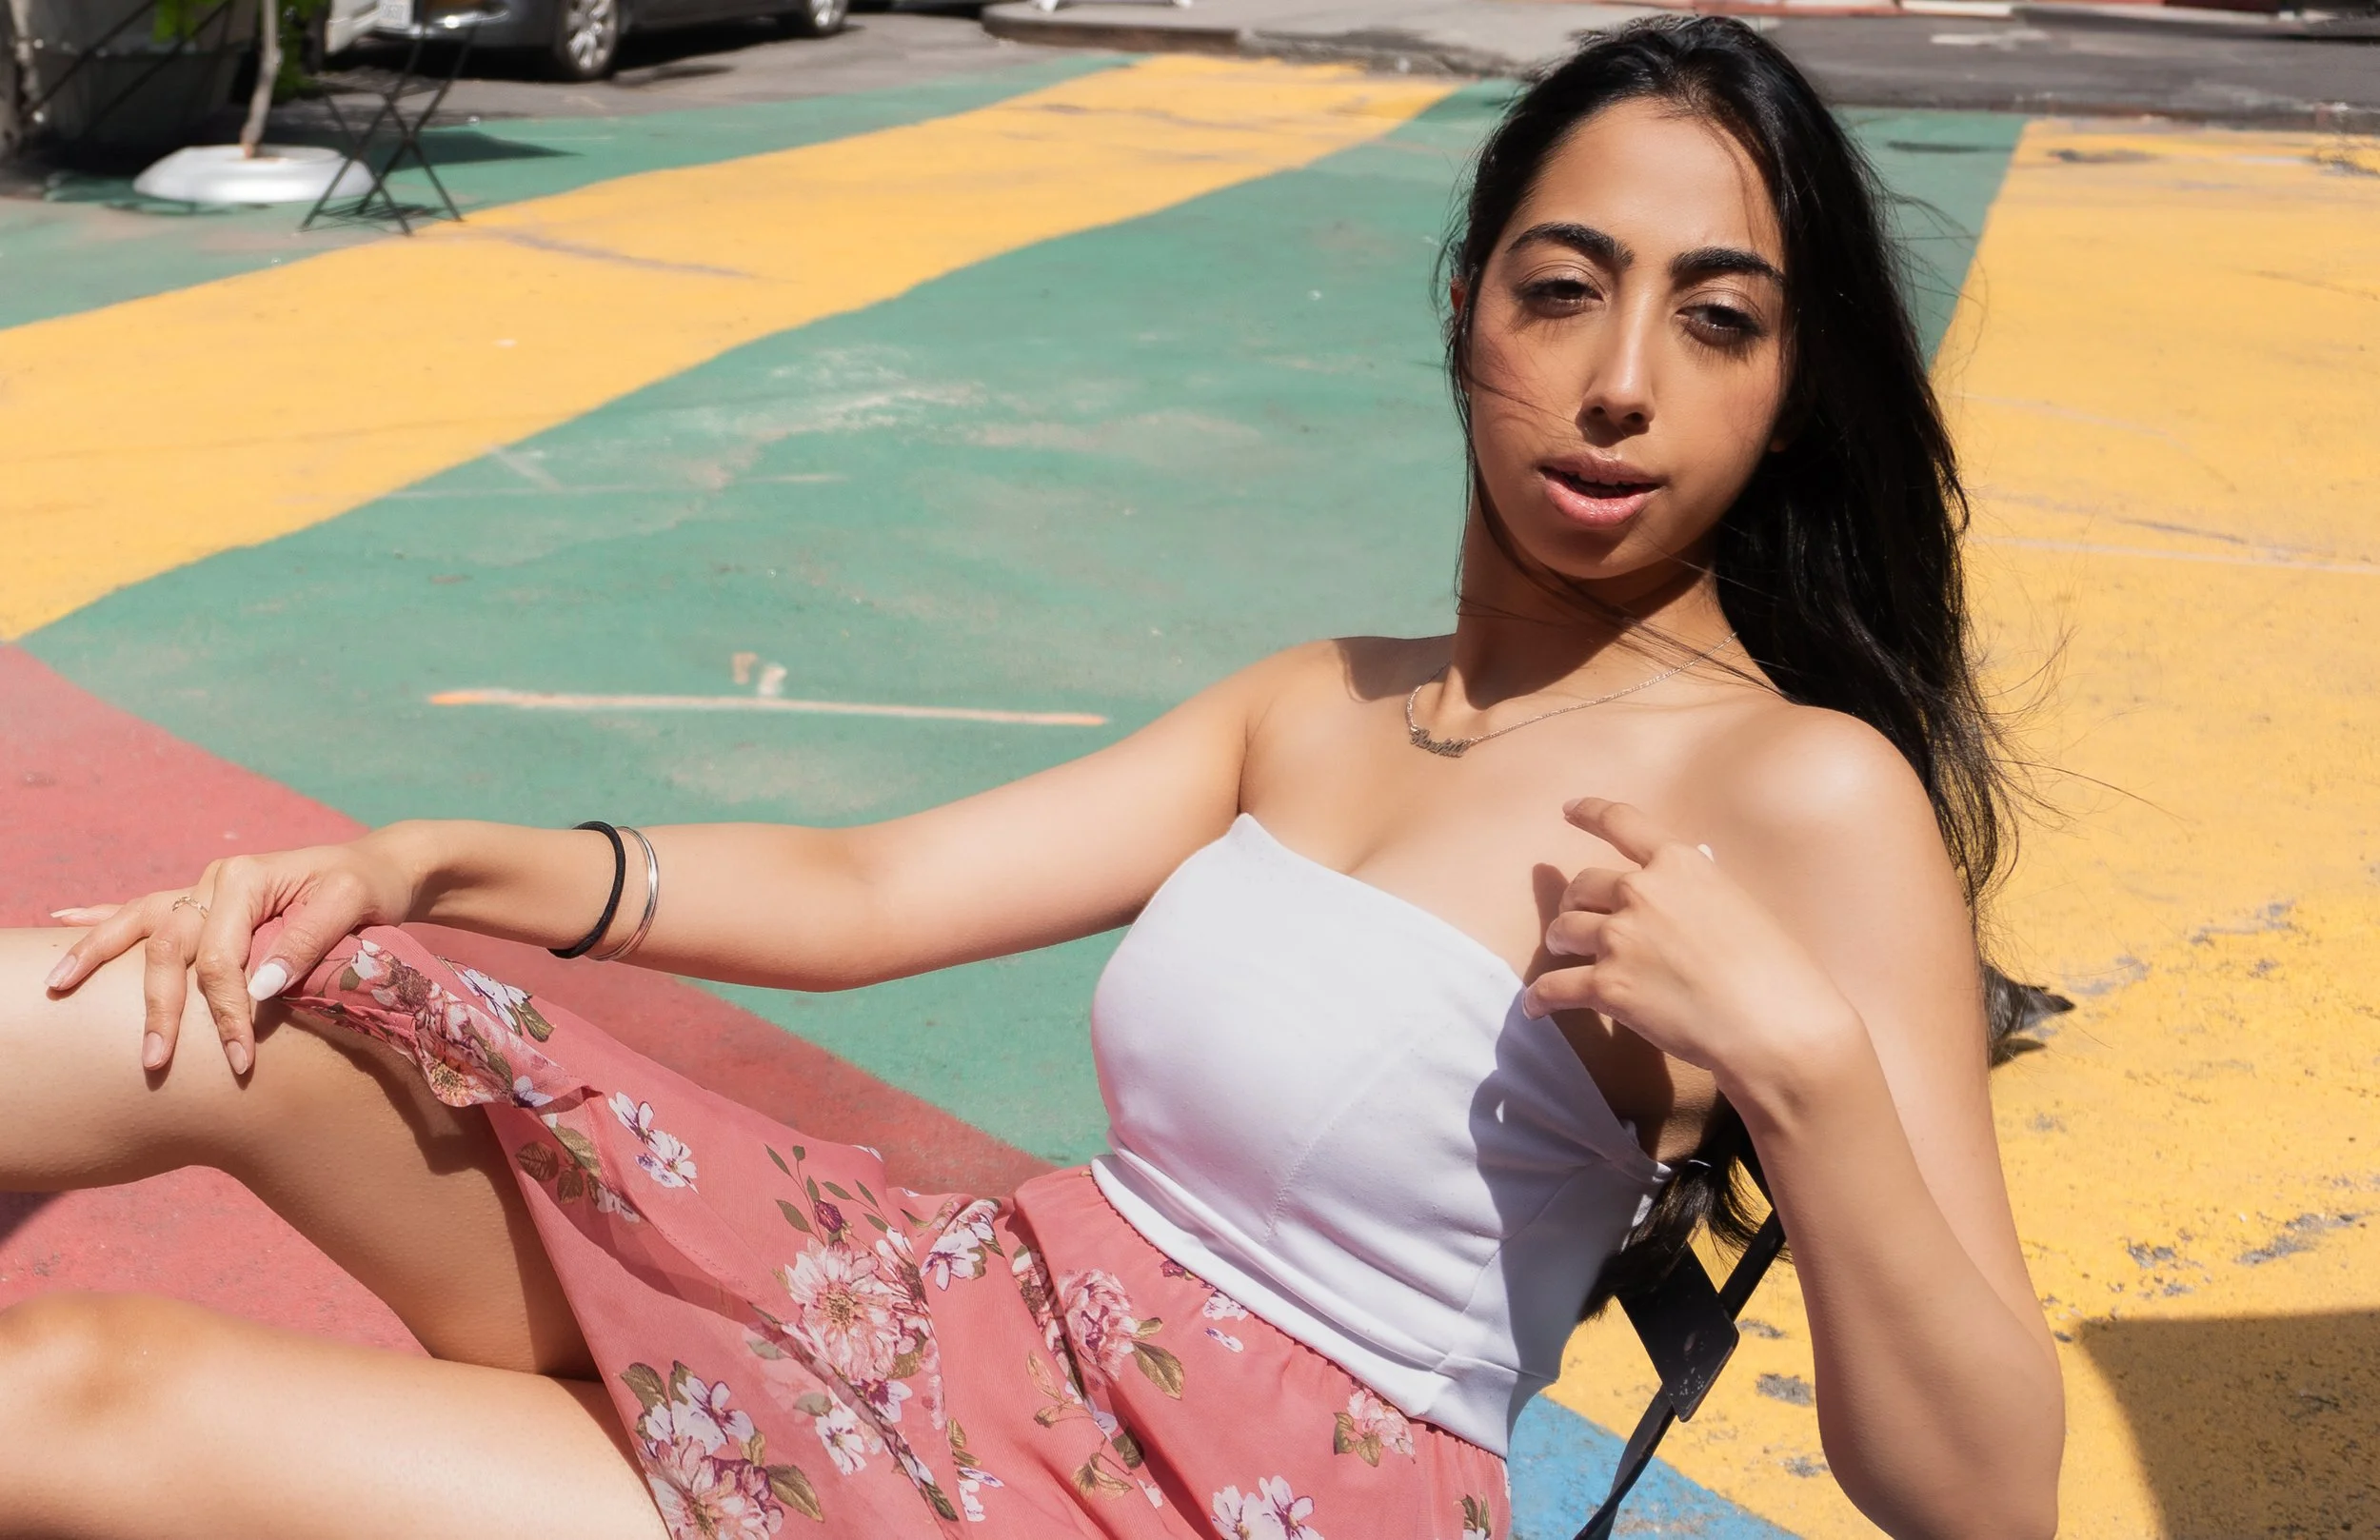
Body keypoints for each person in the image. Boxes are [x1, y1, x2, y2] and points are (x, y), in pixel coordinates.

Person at [0, 18, 2063, 1540]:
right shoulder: (1318, 701)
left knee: (82, 1394)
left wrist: (1797, 1065)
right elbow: (873, 888)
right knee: (225, 996)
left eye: (1717, 322)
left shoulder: (1802, 791)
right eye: (1561, 286)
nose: (1621, 379)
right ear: (1463, 312)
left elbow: (1982, 1492)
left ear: (1791, 396)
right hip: (945, 1317)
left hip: (1178, 1497)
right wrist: (427, 857)